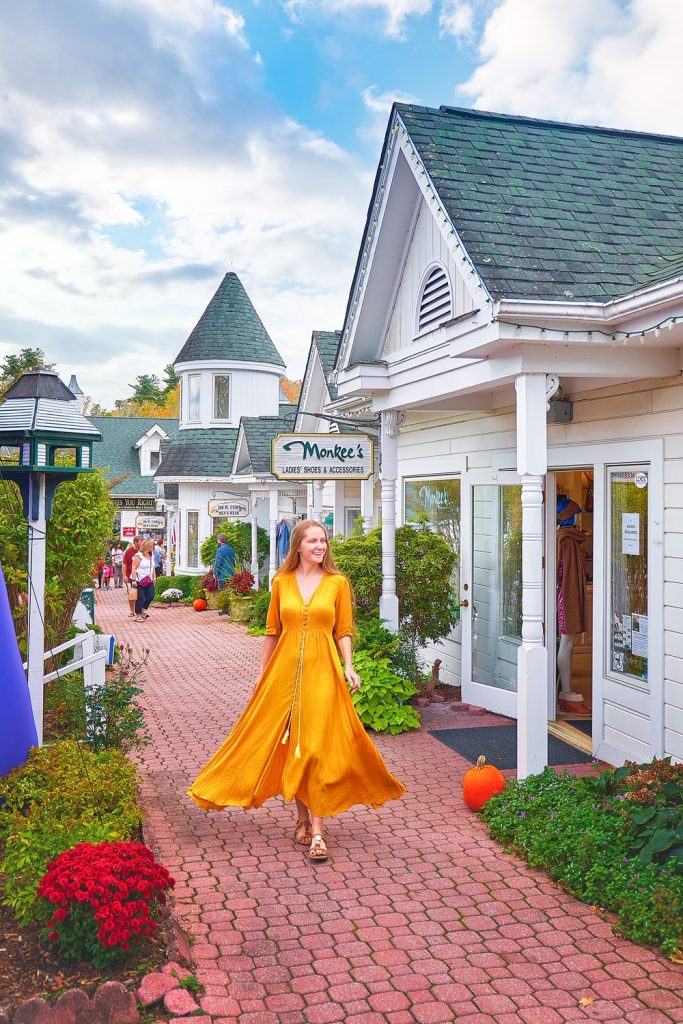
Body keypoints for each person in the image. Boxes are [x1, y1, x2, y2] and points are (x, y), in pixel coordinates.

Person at [188, 519, 405, 861]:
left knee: (315, 747)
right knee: (290, 745)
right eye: (313, 541)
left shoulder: (336, 583)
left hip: (323, 672)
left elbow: (343, 630)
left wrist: (349, 665)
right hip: (284, 674)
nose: (320, 546)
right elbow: (272, 631)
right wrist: (262, 674)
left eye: (323, 541)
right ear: (299, 546)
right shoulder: (281, 582)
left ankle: (318, 832)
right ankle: (302, 818)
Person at [556, 496, 591, 716]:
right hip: (565, 598)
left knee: (567, 642)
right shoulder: (566, 540)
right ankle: (566, 694)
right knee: (566, 642)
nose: (579, 516)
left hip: (563, 596)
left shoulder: (566, 538)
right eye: (575, 513)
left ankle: (566, 692)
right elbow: (565, 574)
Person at [131, 537, 156, 623]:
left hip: (149, 580)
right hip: (139, 579)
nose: (153, 548)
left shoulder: (152, 556)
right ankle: (137, 615)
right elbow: (133, 568)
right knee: (140, 598)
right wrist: (134, 580)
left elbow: (153, 567)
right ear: (147, 546)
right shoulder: (139, 556)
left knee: (150, 596)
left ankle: (142, 611)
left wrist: (154, 577)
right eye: (151, 546)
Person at [122, 536, 142, 618]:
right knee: (132, 594)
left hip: (141, 576)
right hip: (130, 576)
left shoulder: (143, 551)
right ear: (136, 542)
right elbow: (124, 564)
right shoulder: (129, 551)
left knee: (140, 595)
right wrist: (124, 575)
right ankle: (131, 610)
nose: (142, 543)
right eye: (140, 541)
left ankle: (140, 611)